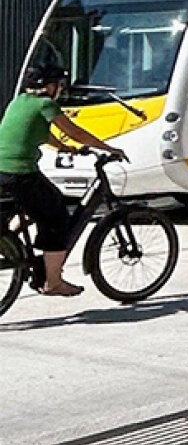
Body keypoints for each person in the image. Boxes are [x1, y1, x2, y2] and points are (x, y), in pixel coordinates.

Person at [0, 63, 127, 297]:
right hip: (20, 173)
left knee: (41, 204)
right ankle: (53, 282)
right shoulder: (45, 104)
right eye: (59, 84)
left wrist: (64, 148)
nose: (60, 89)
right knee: (58, 218)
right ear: (50, 86)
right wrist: (108, 148)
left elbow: (41, 131)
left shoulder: (19, 101)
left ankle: (12, 242)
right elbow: (75, 131)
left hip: (3, 172)